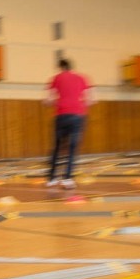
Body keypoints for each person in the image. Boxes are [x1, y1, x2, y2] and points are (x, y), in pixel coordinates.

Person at [44, 58, 94, 189]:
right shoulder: (82, 78)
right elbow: (90, 100)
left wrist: (54, 102)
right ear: (71, 67)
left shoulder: (56, 78)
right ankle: (67, 179)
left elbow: (49, 99)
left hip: (61, 115)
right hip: (77, 115)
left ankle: (52, 179)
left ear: (61, 67)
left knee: (57, 147)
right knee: (72, 148)